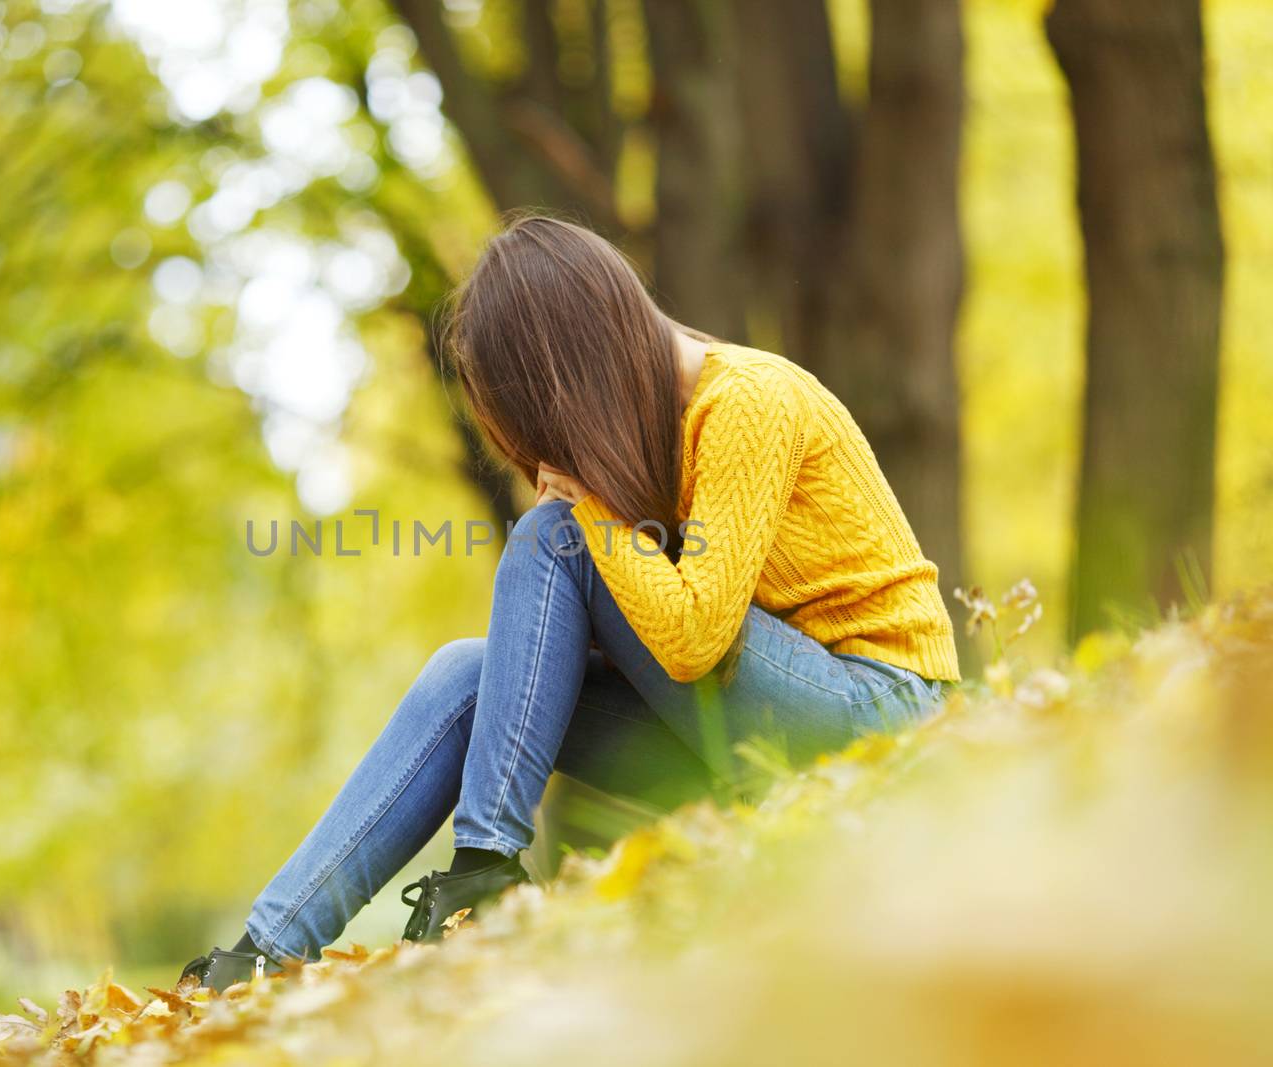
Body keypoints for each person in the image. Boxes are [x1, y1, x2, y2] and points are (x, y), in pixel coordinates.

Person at [179, 211, 961, 990]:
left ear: (572, 367)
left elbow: (692, 637)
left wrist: (588, 510)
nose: (547, 453)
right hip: (760, 724)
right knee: (465, 676)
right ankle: (264, 950)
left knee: (552, 530)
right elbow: (650, 642)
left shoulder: (748, 401)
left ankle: (486, 870)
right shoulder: (669, 429)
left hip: (882, 712)